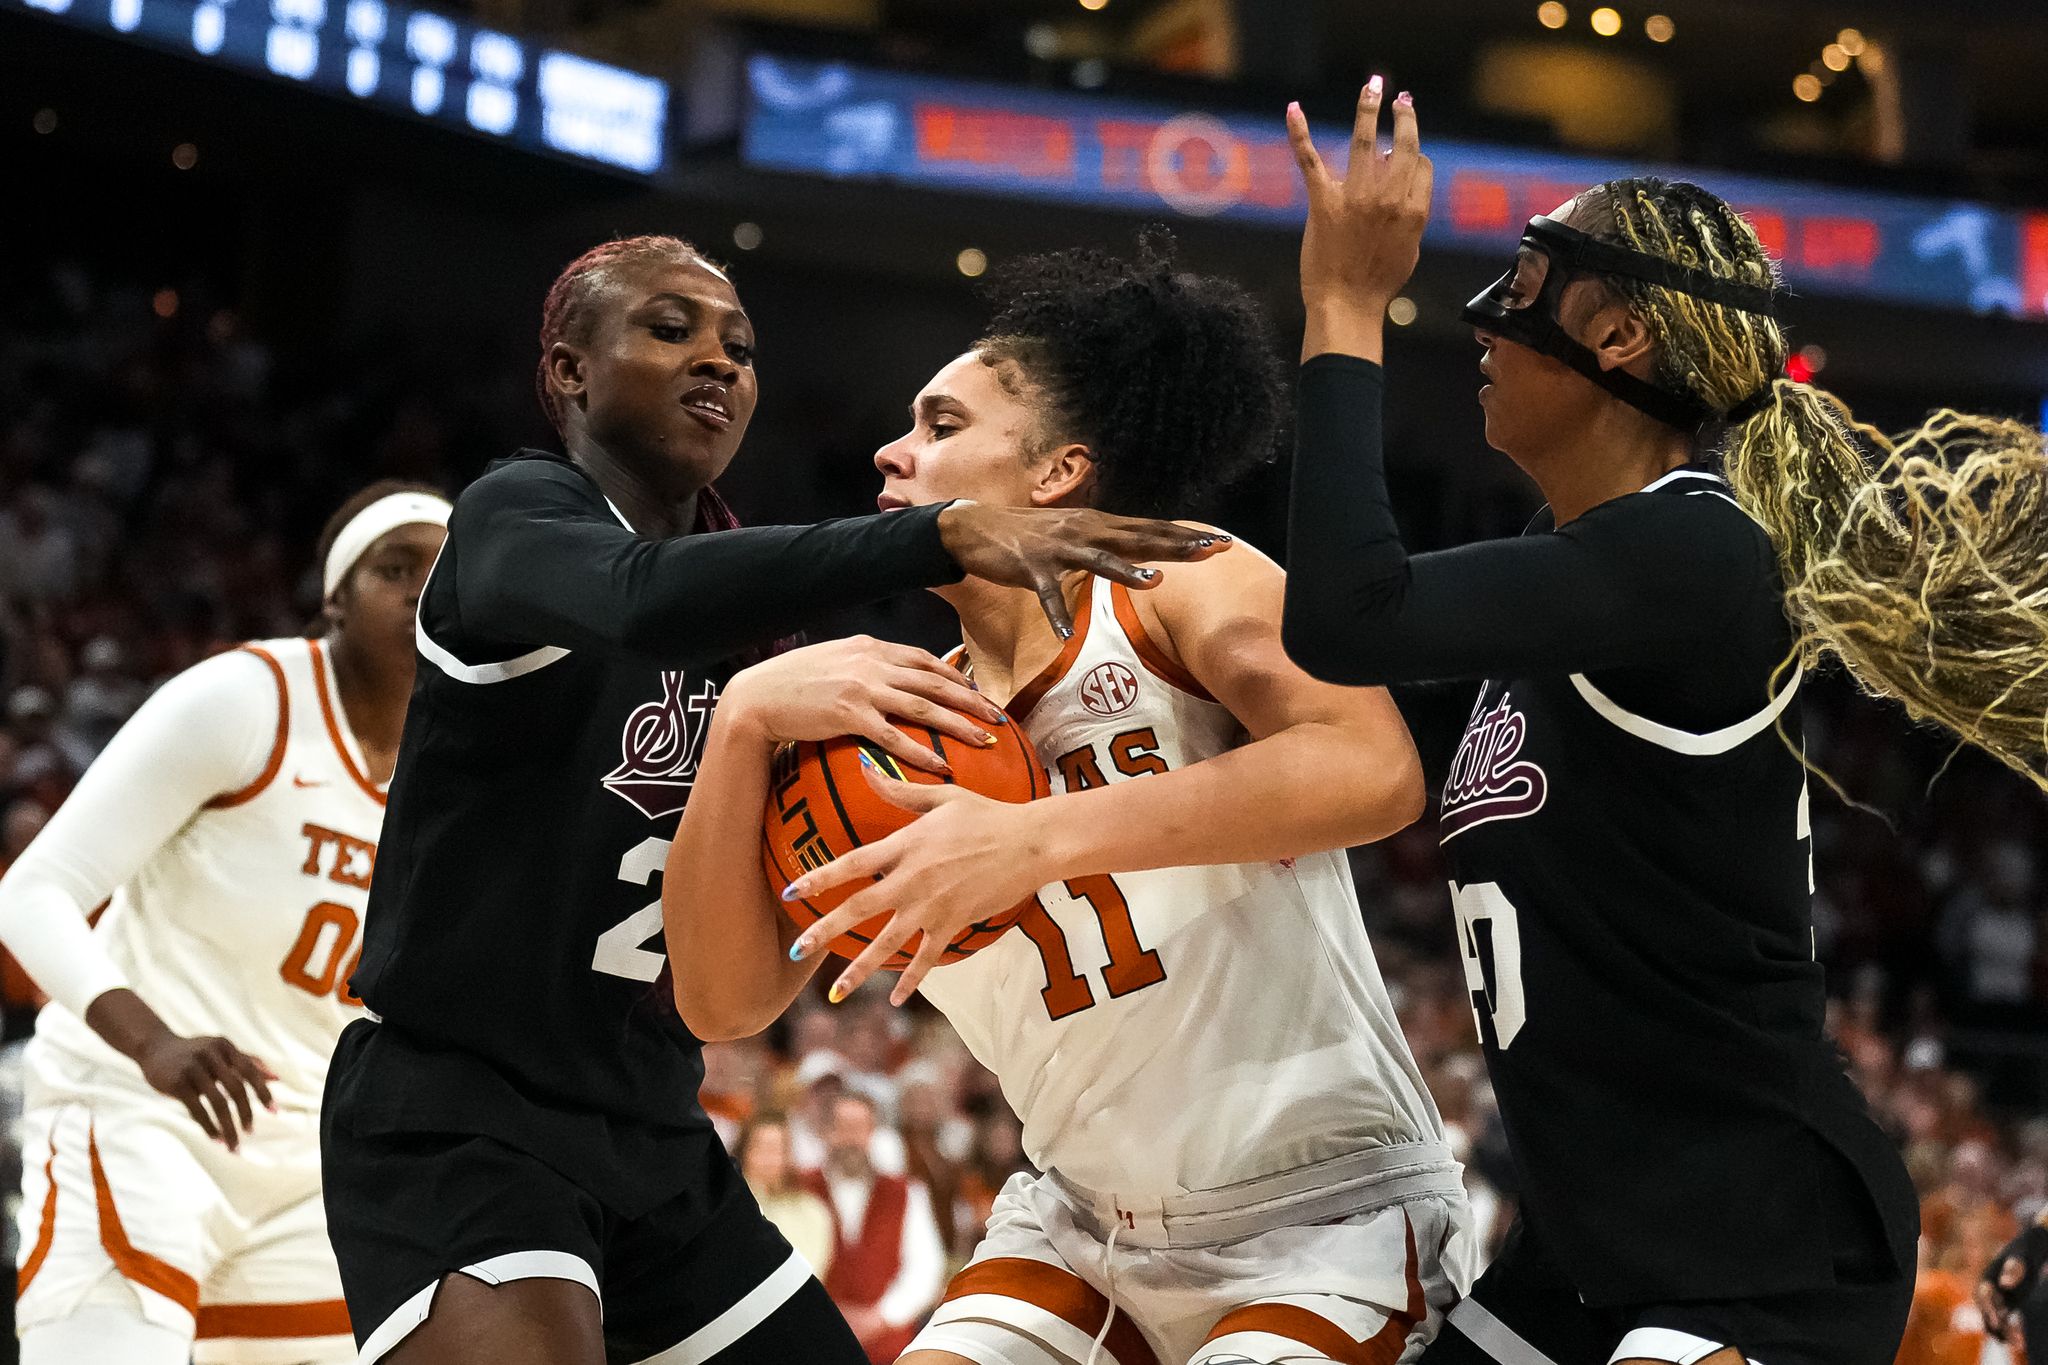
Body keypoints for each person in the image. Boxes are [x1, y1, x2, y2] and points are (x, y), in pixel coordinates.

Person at [317, 233, 1228, 1365]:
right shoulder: (513, 516)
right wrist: (933, 533)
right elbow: (630, 597)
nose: (717, 360)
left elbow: (740, 972)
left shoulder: (755, 607)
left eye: (738, 346)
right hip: (461, 1121)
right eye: (670, 329)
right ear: (567, 373)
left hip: (655, 1130)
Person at [1275, 79, 2044, 1365]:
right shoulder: (1570, 567)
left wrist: (1345, 302)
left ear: (1619, 334)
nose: (1485, 326)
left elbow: (1346, 614)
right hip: (1592, 1245)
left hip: (1753, 1245)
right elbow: (1342, 676)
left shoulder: (1688, 555)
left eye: (1522, 289)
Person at [667, 234, 1474, 1365]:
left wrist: (1027, 839)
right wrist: (742, 719)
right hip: (1078, 1225)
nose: (890, 454)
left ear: (1056, 475)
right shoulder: (886, 721)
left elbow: (1373, 766)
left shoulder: (1172, 580)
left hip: (1324, 1215)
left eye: (941, 426)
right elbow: (723, 1001)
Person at [0, 481, 450, 1365]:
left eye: (448, 576)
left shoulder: (471, 775)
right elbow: (33, 891)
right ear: (334, 598)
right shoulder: (246, 698)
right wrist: (154, 1042)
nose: (422, 595)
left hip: (307, 1164)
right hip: (139, 1110)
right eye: (395, 569)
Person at [802, 1092, 948, 1363]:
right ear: (826, 1132)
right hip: (813, 1340)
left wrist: (880, 1317)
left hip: (889, 1346)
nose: (851, 1139)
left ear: (873, 1133)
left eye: (859, 1128)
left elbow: (926, 1267)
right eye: (842, 1128)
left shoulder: (907, 1192)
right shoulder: (801, 1189)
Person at [734, 1112, 836, 1281]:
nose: (768, 1158)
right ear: (744, 1151)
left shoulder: (811, 1211)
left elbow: (812, 1269)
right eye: (760, 1148)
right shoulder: (728, 1206)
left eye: (776, 1149)